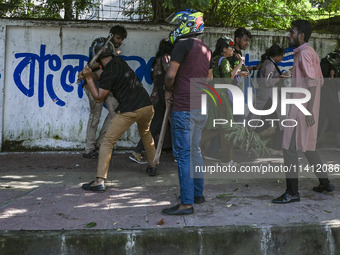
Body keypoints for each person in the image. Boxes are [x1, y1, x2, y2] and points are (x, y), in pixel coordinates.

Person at [80, 37, 157, 192]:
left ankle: (99, 181)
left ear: (98, 56)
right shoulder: (119, 63)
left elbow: (98, 97)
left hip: (130, 109)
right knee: (146, 133)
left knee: (107, 142)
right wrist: (90, 75)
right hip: (147, 106)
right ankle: (153, 165)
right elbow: (101, 74)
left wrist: (88, 78)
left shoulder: (108, 72)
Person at [272, 20, 335, 204]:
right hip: (307, 107)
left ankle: (292, 192)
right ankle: (325, 182)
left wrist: (307, 111)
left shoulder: (303, 55)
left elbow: (313, 83)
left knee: (289, 148)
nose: (288, 35)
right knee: (308, 146)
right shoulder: (311, 52)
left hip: (301, 109)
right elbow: (320, 81)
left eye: (291, 32)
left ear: (301, 35)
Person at [161, 9, 213, 215]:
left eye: (178, 24)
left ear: (187, 24)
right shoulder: (206, 49)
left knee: (183, 156)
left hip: (184, 107)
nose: (175, 28)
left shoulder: (182, 45)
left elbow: (171, 76)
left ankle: (186, 203)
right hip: (201, 106)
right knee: (195, 151)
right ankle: (197, 194)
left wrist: (167, 88)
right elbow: (207, 80)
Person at [82, 25, 127, 159]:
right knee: (95, 116)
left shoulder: (113, 49)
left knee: (115, 111)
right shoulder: (100, 44)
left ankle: (101, 143)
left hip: (106, 85)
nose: (120, 41)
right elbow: (93, 65)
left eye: (122, 39)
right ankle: (89, 148)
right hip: (93, 84)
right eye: (119, 38)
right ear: (111, 35)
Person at [129, 39, 173, 164]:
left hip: (157, 98)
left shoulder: (157, 60)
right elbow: (167, 77)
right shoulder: (166, 58)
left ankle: (139, 151)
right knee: (155, 126)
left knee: (155, 126)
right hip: (162, 99)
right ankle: (138, 151)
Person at [201, 36, 243, 166]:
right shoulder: (224, 61)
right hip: (222, 97)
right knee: (227, 128)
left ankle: (194, 149)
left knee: (216, 127)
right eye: (230, 47)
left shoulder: (213, 59)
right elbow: (228, 79)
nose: (232, 49)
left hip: (213, 95)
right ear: (224, 49)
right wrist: (240, 63)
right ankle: (226, 160)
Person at [253, 44, 286, 154]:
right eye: (281, 56)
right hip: (269, 97)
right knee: (280, 122)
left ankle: (275, 147)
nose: (282, 58)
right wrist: (280, 78)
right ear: (276, 55)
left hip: (269, 97)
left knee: (270, 121)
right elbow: (267, 82)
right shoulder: (270, 65)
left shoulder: (269, 63)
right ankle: (275, 147)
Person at [317, 51, 340, 149]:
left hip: (325, 96)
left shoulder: (325, 61)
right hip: (332, 97)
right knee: (333, 119)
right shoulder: (331, 63)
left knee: (323, 119)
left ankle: (318, 141)